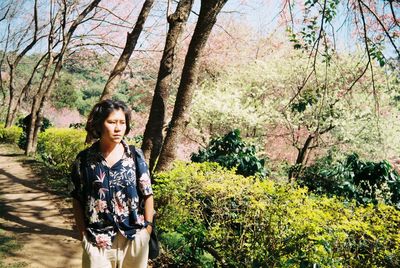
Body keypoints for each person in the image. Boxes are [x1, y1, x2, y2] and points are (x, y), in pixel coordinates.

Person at [70, 99, 154, 268]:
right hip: (97, 240)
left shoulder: (134, 156)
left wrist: (147, 229)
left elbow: (147, 193)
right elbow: (76, 199)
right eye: (112, 122)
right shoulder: (84, 159)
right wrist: (83, 235)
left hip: (134, 237)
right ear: (100, 124)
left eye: (122, 123)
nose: (118, 128)